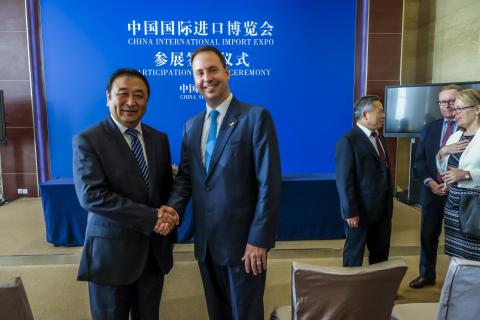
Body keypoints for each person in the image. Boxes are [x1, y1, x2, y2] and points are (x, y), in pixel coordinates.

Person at [159, 45, 282, 320]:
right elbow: (186, 180)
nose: (207, 78)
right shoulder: (191, 126)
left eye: (212, 69)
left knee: (246, 314)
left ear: (227, 72)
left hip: (244, 246)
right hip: (206, 244)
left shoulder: (255, 117)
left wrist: (259, 240)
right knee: (218, 314)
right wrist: (173, 210)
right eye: (199, 73)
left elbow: (269, 184)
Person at [72, 68, 177, 320]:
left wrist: (170, 213)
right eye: (123, 94)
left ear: (147, 101)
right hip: (111, 257)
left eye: (139, 95)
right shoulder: (88, 140)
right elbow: (93, 196)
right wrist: (152, 217)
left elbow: (164, 189)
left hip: (152, 254)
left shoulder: (159, 139)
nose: (131, 102)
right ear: (108, 97)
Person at [409, 84, 462, 289]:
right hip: (432, 191)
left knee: (457, 236)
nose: (447, 105)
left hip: (458, 192)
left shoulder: (472, 129)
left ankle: (457, 280)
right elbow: (420, 160)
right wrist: (430, 182)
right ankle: (426, 274)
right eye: (442, 101)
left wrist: (452, 183)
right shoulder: (429, 128)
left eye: (451, 101)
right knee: (428, 235)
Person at [436, 89, 480, 319]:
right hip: (454, 206)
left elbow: (465, 173)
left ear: (477, 109)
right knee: (457, 259)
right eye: (455, 109)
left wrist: (469, 174)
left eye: (460, 109)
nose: (455, 114)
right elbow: (443, 167)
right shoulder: (455, 136)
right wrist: (442, 152)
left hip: (475, 209)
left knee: (472, 263)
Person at [335, 95, 393, 267]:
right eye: (380, 111)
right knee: (354, 253)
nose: (384, 115)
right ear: (365, 115)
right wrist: (350, 212)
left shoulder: (379, 137)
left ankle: (377, 290)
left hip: (382, 210)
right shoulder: (347, 141)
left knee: (381, 252)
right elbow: (344, 181)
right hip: (360, 212)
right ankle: (352, 292)